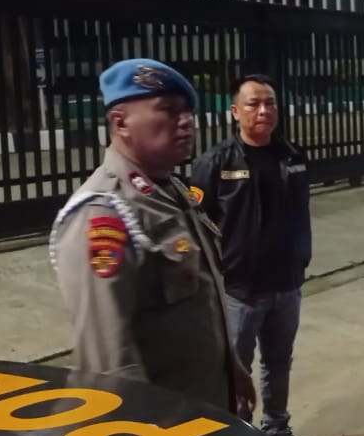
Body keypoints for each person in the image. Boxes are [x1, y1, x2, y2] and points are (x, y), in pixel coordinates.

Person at [50, 58, 256, 417]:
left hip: (204, 406)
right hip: (163, 426)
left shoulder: (171, 191)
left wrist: (231, 367)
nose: (186, 121)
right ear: (121, 123)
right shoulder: (103, 214)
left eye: (187, 111)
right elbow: (111, 363)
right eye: (168, 110)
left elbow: (202, 299)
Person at [191, 74, 314, 436]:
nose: (264, 110)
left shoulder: (292, 157)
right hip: (239, 290)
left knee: (278, 362)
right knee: (234, 370)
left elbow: (302, 215)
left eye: (270, 103)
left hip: (286, 285)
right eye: (254, 103)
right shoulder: (215, 163)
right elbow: (197, 227)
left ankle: (277, 430)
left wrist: (301, 260)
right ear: (234, 111)